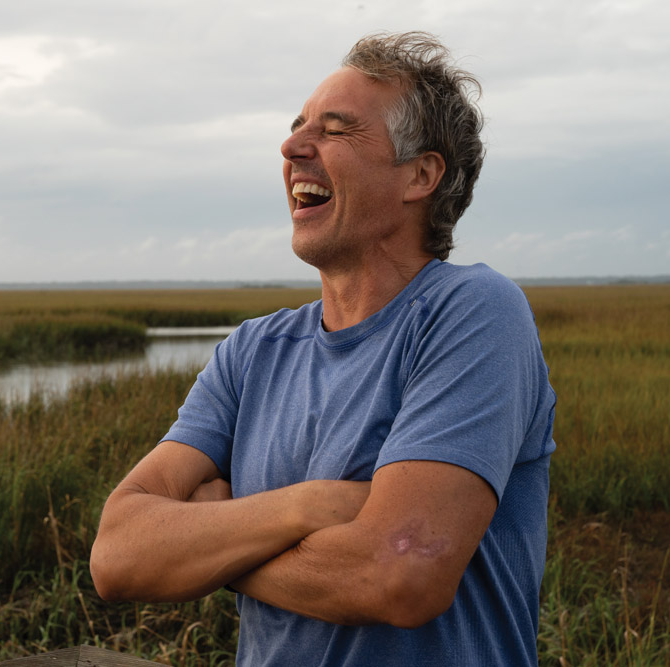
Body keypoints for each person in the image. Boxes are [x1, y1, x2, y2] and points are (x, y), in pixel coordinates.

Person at [91, 31, 556, 667]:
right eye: (296, 128)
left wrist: (212, 547)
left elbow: (398, 576)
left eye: (335, 131)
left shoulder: (472, 311)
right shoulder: (253, 351)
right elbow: (117, 556)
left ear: (420, 175)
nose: (291, 147)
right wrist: (308, 506)